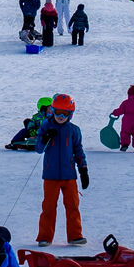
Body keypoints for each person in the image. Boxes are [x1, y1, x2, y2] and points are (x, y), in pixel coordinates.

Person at [35, 94, 89, 246]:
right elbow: (39, 149)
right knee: (48, 207)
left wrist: (83, 170)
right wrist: (45, 137)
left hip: (69, 176)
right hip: (50, 176)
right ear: (52, 110)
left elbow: (79, 151)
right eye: (57, 112)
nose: (60, 116)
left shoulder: (73, 130)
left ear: (70, 114)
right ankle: (45, 237)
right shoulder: (46, 126)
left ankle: (75, 236)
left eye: (64, 113)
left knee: (72, 206)